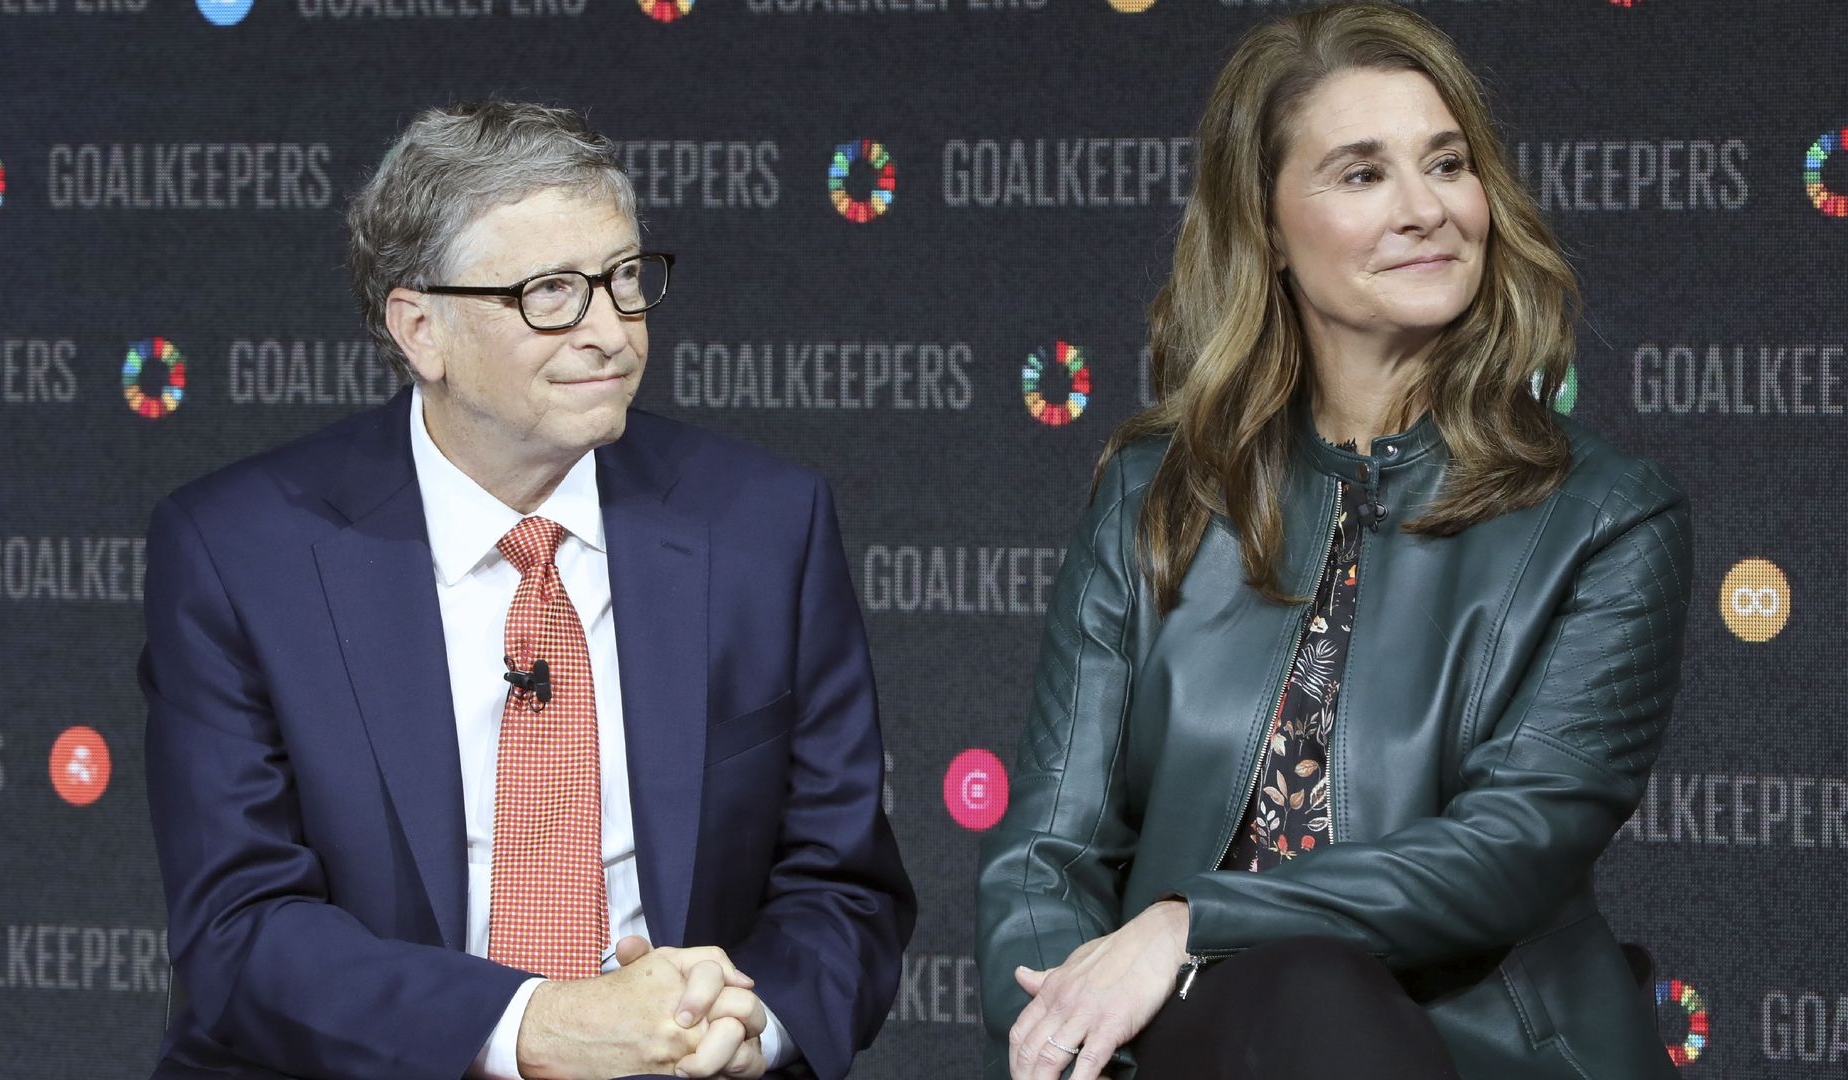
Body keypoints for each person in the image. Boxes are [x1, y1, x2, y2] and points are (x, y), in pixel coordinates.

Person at [975, 5, 1691, 1079]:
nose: (1426, 210)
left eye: (1446, 164)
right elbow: (1046, 852)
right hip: (1185, 1045)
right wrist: (1063, 1029)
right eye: (1361, 175)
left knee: (1311, 987)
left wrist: (1191, 921)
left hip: (1478, 1050)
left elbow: (1507, 853)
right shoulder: (1154, 495)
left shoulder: (1605, 516)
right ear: (1264, 226)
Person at [141, 100, 915, 1080]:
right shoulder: (239, 551)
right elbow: (240, 932)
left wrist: (746, 1031)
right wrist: (535, 1027)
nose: (612, 334)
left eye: (625, 280)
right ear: (421, 329)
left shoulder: (764, 526)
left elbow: (843, 892)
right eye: (552, 293)